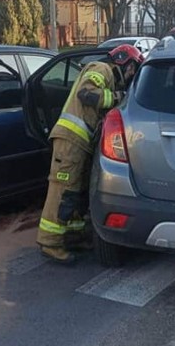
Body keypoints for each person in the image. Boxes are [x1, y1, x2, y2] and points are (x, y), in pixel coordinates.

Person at [37, 44, 143, 264]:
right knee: (62, 190)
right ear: (124, 61)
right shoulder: (102, 68)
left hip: (80, 142)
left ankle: (73, 236)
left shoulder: (110, 77)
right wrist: (117, 97)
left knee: (76, 192)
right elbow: (87, 93)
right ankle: (50, 242)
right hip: (70, 140)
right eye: (133, 67)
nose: (132, 74)